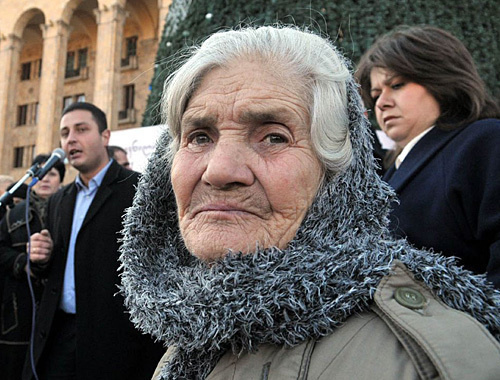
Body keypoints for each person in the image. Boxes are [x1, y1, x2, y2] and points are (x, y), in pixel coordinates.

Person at [118, 26, 500, 380]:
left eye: (273, 137)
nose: (219, 171)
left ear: (337, 174)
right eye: (199, 136)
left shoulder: (428, 358)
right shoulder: (183, 341)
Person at [23, 102, 163, 379]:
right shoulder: (59, 201)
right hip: (60, 334)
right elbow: (54, 272)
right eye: (64, 133)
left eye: (81, 129)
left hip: (115, 342)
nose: (70, 139)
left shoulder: (137, 190)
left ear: (105, 136)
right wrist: (40, 259)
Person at [356, 25, 500, 288]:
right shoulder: (392, 170)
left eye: (396, 85)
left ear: (441, 79)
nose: (381, 102)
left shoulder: (485, 140)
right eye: (375, 94)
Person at [0, 154, 65, 380]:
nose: (46, 178)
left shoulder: (68, 210)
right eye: (42, 173)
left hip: (58, 314)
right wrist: (23, 264)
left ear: (61, 180)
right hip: (19, 315)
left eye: (53, 174)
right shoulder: (12, 214)